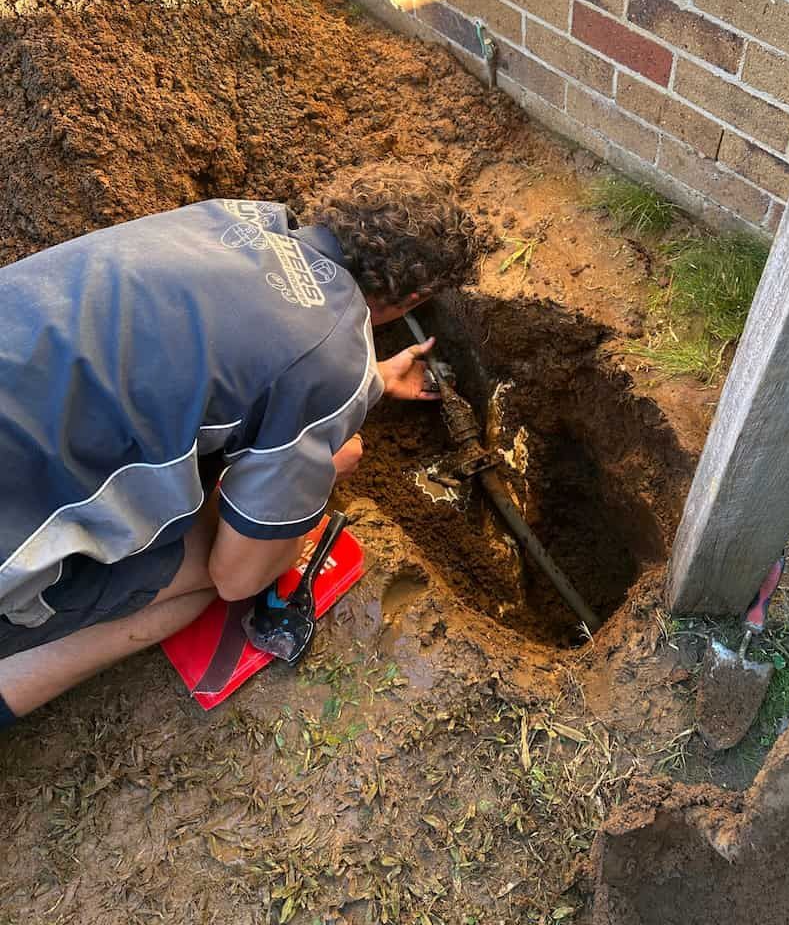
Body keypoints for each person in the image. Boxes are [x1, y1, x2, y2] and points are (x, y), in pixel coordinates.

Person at [0, 162, 476, 728]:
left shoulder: (227, 218)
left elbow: (231, 347)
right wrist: (321, 467)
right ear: (412, 296)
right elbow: (239, 577)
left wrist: (361, 379)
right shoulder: (326, 360)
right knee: (198, 588)